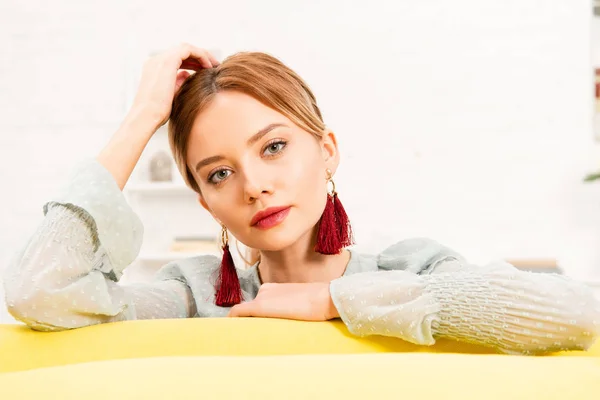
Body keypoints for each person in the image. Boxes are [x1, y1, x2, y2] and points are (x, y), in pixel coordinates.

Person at [3, 43, 599, 355]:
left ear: (328, 151)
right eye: (217, 175)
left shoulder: (412, 268)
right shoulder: (193, 295)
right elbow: (38, 292)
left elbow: (577, 313)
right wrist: (141, 119)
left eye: (274, 147)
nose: (252, 185)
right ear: (205, 204)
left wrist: (330, 301)